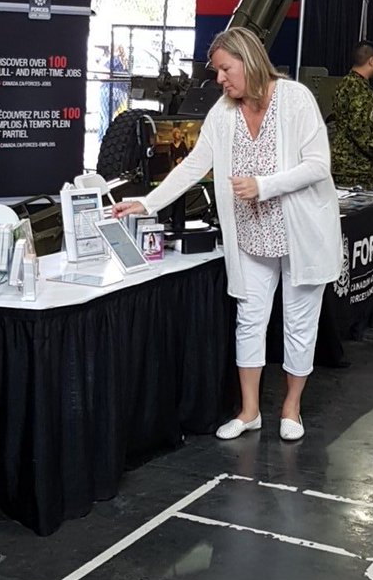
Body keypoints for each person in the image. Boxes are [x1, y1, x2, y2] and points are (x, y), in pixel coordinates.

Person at [111, 26, 341, 442]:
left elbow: (318, 165)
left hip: (300, 235)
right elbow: (193, 164)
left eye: (224, 69)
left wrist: (263, 185)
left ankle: (291, 407)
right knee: (249, 321)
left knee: (299, 322)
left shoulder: (295, 99)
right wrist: (147, 203)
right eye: (217, 71)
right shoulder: (223, 112)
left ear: (249, 60)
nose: (219, 79)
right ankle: (249, 410)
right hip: (251, 235)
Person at [329, 40, 373, 189]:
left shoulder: (344, 84)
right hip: (356, 169)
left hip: (341, 164)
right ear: (371, 62)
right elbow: (360, 132)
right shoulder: (362, 92)